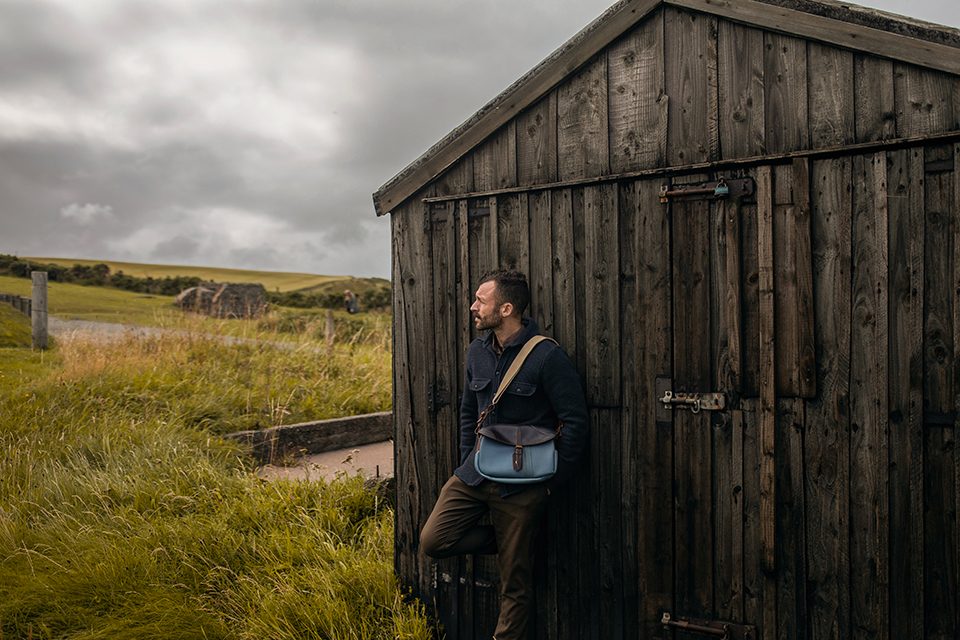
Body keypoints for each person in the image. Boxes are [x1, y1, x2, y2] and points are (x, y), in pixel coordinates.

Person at [419, 269, 589, 640]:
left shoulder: (546, 356)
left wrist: (549, 484)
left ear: (507, 308)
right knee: (433, 540)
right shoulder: (476, 351)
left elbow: (575, 422)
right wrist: (468, 458)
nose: (473, 307)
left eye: (481, 301)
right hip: (475, 476)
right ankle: (516, 537)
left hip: (523, 487)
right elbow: (468, 411)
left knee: (515, 584)